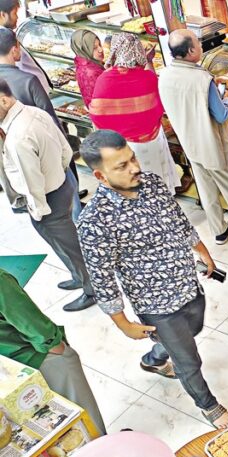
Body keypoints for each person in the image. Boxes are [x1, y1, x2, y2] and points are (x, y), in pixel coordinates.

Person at [76, 130, 228, 430]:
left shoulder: (151, 183)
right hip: (155, 303)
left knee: (195, 327)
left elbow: (178, 220)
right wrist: (122, 323)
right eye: (121, 166)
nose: (134, 168)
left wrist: (201, 251)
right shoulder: (95, 221)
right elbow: (102, 278)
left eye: (132, 158)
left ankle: (156, 356)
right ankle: (209, 406)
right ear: (99, 175)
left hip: (187, 283)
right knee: (188, 360)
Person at [160, 30, 228, 246]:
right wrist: (225, 99)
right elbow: (222, 114)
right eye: (198, 43)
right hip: (212, 143)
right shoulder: (201, 79)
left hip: (189, 142)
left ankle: (219, 230)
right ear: (190, 51)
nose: (201, 46)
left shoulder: (166, 75)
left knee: (206, 190)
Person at [0, 81, 95, 312]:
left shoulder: (18, 137)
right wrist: (62, 174)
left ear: (3, 100)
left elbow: (31, 181)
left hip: (47, 199)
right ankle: (77, 276)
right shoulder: (34, 112)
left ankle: (92, 289)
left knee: (69, 245)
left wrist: (37, 210)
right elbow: (65, 148)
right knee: (67, 243)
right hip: (61, 185)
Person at [0, 268, 106, 435]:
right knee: (82, 417)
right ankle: (104, 450)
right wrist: (54, 345)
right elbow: (31, 322)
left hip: (8, 372)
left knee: (41, 426)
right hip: (34, 356)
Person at [0, 28, 83, 221]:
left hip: (17, 155)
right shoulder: (28, 80)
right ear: (15, 50)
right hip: (46, 149)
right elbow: (51, 118)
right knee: (68, 202)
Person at [89, 33, 180, 193]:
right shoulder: (146, 77)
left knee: (135, 190)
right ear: (137, 51)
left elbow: (96, 113)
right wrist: (149, 61)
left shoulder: (104, 79)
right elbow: (158, 102)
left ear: (115, 51)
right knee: (157, 187)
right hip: (150, 142)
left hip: (122, 146)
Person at [0, 0, 52, 93]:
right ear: (3, 15)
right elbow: (16, 71)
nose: (17, 17)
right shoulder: (6, 38)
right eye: (15, 13)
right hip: (32, 92)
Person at [70, 29, 105, 109]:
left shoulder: (82, 62)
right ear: (83, 49)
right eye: (94, 48)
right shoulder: (92, 72)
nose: (100, 50)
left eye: (100, 45)